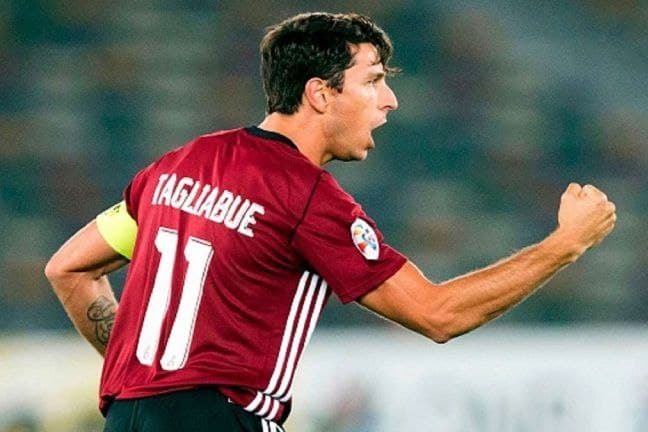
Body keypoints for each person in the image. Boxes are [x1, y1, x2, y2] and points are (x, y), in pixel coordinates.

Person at [44, 11, 616, 432]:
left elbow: (69, 269)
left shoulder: (177, 166)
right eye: (372, 80)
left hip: (127, 417)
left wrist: (151, 378)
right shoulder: (306, 196)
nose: (389, 100)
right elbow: (438, 314)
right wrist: (565, 244)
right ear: (320, 94)